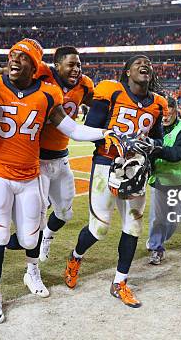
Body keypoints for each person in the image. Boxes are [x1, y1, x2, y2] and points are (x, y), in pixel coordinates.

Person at [0, 18, 111, 324]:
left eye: (23, 57)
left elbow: (72, 128)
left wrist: (108, 133)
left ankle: (32, 273)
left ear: (35, 67)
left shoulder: (47, 93)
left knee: (31, 239)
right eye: (12, 55)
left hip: (30, 175)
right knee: (0, 236)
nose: (15, 60)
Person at [64, 55, 167, 308]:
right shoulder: (111, 92)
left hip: (135, 169)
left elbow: (159, 140)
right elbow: (90, 130)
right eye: (138, 63)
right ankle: (76, 256)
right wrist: (118, 140)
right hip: (106, 164)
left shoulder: (157, 103)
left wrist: (148, 144)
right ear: (127, 71)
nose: (145, 66)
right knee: (99, 229)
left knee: (133, 227)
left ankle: (119, 282)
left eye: (149, 64)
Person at [36, 46, 94, 262]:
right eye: (71, 64)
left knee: (65, 213)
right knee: (37, 214)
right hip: (37, 158)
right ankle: (31, 266)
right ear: (57, 65)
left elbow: (97, 104)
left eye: (79, 65)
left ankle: (47, 237)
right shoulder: (41, 74)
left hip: (61, 157)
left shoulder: (84, 85)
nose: (76, 69)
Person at [147, 96, 181, 265]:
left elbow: (177, 154)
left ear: (175, 110)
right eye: (163, 113)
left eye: (169, 112)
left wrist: (155, 149)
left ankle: (158, 240)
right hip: (160, 181)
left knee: (174, 220)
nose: (165, 116)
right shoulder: (155, 129)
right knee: (158, 218)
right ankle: (156, 247)